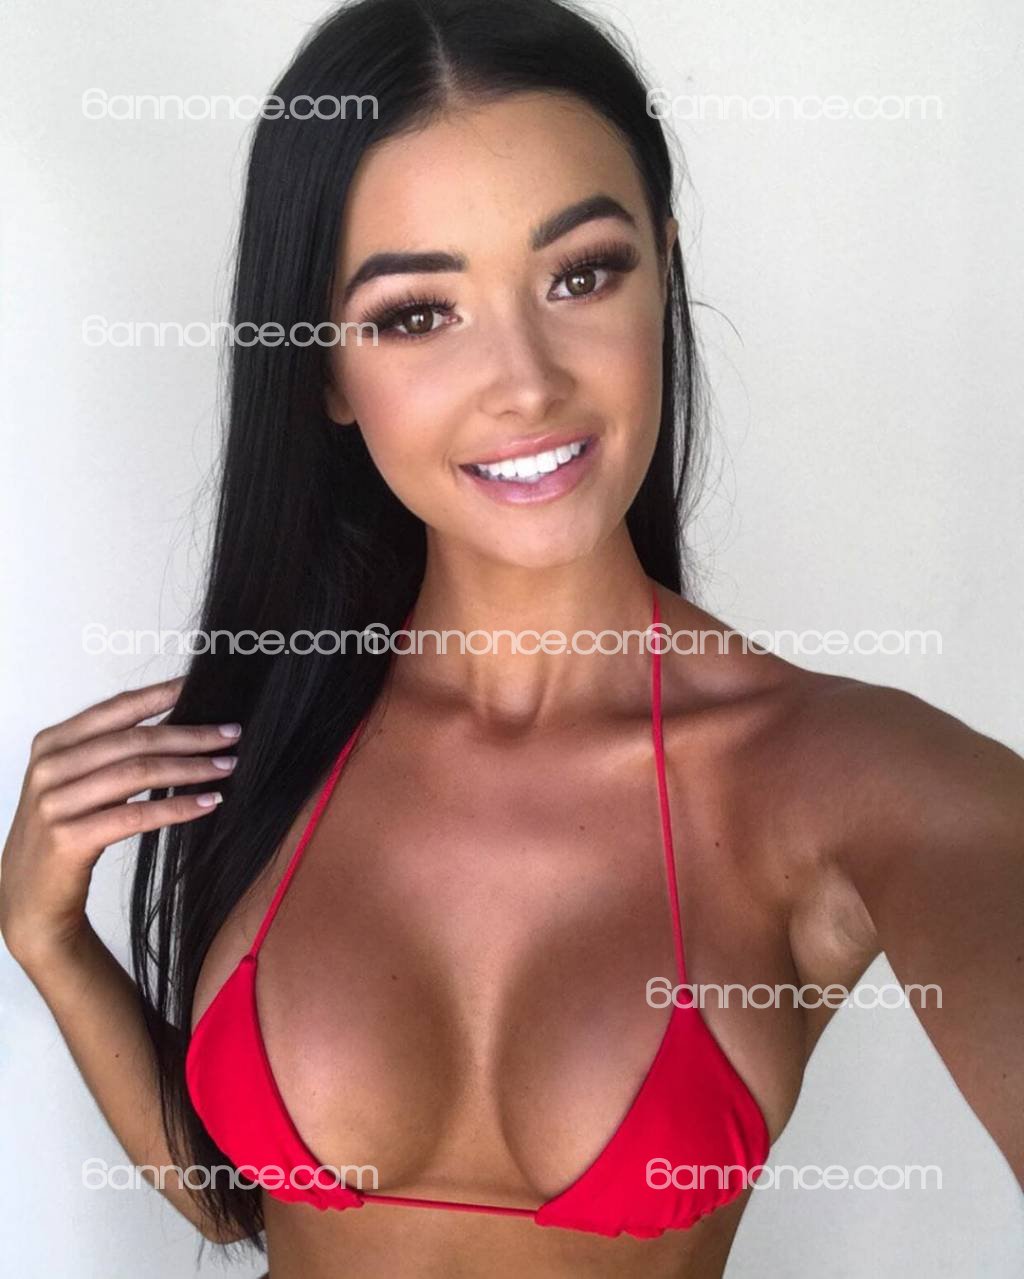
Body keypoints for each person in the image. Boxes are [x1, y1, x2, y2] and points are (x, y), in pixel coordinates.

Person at [2, 1, 1021, 1276]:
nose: (527, 382)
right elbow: (244, 1208)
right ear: (325, 368)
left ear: (663, 270)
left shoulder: (849, 781)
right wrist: (49, 940)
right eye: (415, 313)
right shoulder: (279, 725)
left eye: (581, 274)